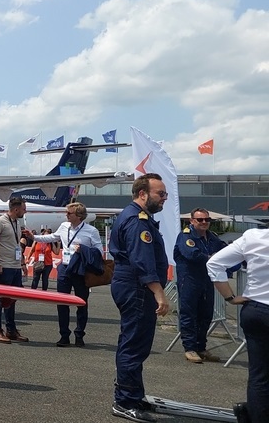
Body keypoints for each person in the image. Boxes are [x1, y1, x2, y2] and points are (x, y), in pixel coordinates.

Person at [108, 173, 170, 423]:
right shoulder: (137, 221)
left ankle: (133, 393)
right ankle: (125, 400)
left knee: (134, 342)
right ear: (143, 194)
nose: (164, 198)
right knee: (134, 345)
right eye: (160, 193)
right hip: (136, 286)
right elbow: (142, 261)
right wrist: (159, 292)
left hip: (131, 284)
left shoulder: (138, 218)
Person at [207, 228, 269, 422]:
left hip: (257, 309)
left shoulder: (254, 237)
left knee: (259, 375)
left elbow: (214, 263)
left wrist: (230, 297)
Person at [28, 203, 103, 348]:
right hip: (64, 267)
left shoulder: (91, 230)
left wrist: (83, 249)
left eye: (69, 213)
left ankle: (79, 334)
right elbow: (51, 237)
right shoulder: (63, 226)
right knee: (62, 302)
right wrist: (34, 237)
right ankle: (64, 335)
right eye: (66, 213)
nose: (66, 215)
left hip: (80, 269)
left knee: (81, 302)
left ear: (79, 216)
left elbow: (98, 251)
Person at [173, 208, 230, 363]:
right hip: (190, 280)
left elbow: (226, 251)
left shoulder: (213, 238)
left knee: (205, 315)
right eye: (200, 220)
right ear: (192, 221)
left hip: (207, 281)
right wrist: (213, 259)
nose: (204, 222)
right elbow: (192, 254)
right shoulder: (185, 236)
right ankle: (190, 348)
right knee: (189, 315)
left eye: (207, 220)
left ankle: (201, 347)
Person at [0, 197, 29, 343]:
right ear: (16, 209)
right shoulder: (0, 221)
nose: (25, 211)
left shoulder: (17, 222)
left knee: (12, 299)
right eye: (24, 209)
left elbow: (16, 244)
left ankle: (11, 330)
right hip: (5, 266)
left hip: (15, 266)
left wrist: (22, 263)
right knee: (0, 298)